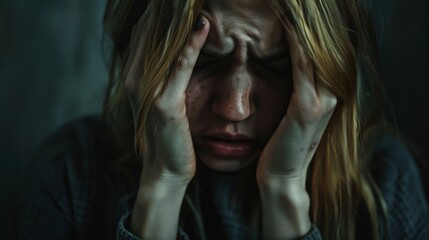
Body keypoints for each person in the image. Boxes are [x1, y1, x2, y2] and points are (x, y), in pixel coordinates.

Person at [19, 0, 429, 239]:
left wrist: (285, 193)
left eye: (275, 67)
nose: (234, 108)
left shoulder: (385, 187)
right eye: (204, 61)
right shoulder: (72, 174)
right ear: (143, 57)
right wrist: (160, 188)